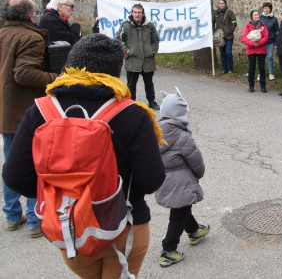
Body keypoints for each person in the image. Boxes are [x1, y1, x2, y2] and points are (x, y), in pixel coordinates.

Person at [3, 34, 165, 277]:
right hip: (124, 224)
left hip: (70, 227)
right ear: (115, 71)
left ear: (70, 64)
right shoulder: (133, 113)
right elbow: (151, 179)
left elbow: (15, 177)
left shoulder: (40, 110)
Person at [0, 0, 57, 238]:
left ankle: (13, 216)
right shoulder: (31, 36)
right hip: (25, 113)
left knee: (11, 162)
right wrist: (57, 78)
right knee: (35, 164)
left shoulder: (3, 34)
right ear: (30, 16)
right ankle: (35, 219)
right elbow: (24, 74)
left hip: (6, 110)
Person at [154, 88, 209, 267]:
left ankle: (194, 231)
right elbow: (196, 160)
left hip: (163, 178)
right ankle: (168, 250)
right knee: (179, 213)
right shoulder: (182, 136)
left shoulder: (156, 131)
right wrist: (199, 175)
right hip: (181, 179)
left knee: (182, 207)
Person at [117, 3, 160, 110]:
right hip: (132, 59)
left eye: (139, 12)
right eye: (135, 12)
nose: (137, 14)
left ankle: (151, 101)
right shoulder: (125, 25)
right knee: (131, 83)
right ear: (132, 13)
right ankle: (131, 102)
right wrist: (126, 50)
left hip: (147, 60)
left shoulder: (149, 25)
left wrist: (152, 52)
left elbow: (155, 40)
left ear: (143, 14)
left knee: (149, 83)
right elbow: (119, 39)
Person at [241, 9, 269, 93]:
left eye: (257, 14)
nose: (257, 16)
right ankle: (251, 85)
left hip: (261, 49)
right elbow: (244, 37)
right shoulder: (248, 26)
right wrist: (253, 44)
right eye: (255, 15)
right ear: (251, 17)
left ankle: (263, 86)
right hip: (251, 49)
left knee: (262, 68)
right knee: (251, 68)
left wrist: (258, 43)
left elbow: (266, 37)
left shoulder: (263, 25)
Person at [213, 0, 237, 74]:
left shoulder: (229, 12)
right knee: (222, 53)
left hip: (228, 37)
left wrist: (230, 31)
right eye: (220, 3)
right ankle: (224, 69)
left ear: (225, 4)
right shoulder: (215, 13)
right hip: (220, 37)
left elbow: (234, 22)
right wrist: (214, 31)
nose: (221, 4)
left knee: (228, 52)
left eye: (222, 3)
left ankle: (230, 69)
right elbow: (212, 22)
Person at [260, 2, 279, 81]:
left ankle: (271, 73)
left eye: (267, 8)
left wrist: (276, 43)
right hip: (261, 41)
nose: (266, 10)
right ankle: (261, 73)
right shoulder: (260, 18)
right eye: (264, 8)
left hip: (270, 41)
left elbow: (277, 32)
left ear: (270, 9)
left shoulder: (274, 19)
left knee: (270, 56)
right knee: (261, 58)